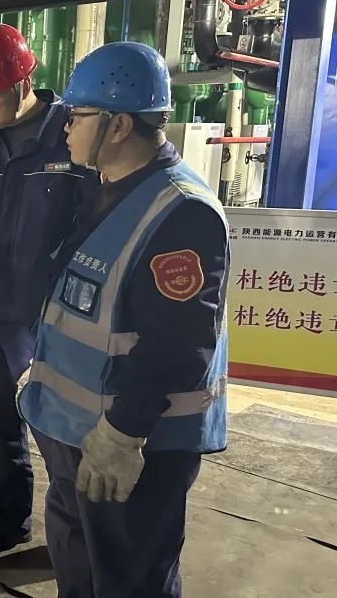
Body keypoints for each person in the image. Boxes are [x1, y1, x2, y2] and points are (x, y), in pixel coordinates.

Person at [18, 41, 229, 598]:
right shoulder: (108, 188)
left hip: (133, 447)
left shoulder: (181, 213)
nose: (65, 127)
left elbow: (178, 344)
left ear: (118, 125)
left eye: (76, 115)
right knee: (81, 571)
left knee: (129, 582)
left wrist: (122, 434)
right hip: (77, 435)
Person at [0, 24, 99, 557]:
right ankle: (7, 519)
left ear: (23, 83)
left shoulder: (72, 139)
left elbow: (94, 229)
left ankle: (75, 537)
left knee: (61, 435)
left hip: (50, 320)